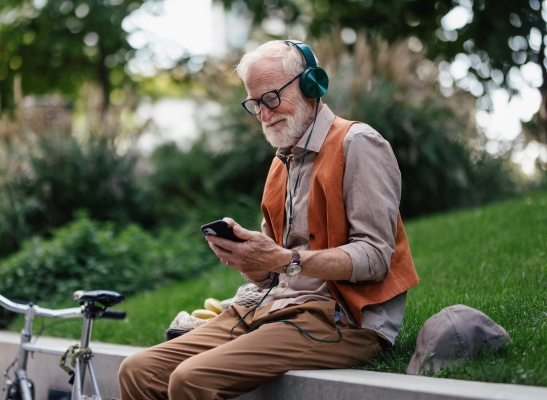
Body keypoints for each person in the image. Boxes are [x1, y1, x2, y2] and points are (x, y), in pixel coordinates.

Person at [118, 40, 419, 400]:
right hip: (274, 308)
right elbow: (274, 274)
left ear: (312, 85)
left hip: (344, 319)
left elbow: (375, 258)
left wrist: (283, 260)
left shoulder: (359, 143)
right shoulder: (281, 164)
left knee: (192, 379)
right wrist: (250, 261)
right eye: (255, 104)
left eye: (271, 97)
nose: (263, 113)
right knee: (137, 371)